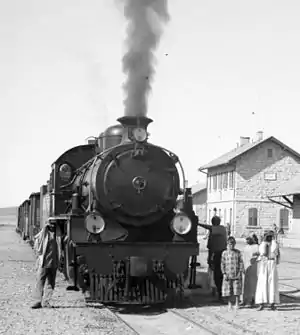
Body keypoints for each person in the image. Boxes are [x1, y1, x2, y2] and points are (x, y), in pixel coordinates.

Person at [31, 217, 62, 309]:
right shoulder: (43, 234)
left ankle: (46, 301)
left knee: (51, 283)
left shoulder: (58, 234)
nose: (52, 225)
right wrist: (38, 257)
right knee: (40, 281)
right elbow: (37, 246)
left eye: (54, 224)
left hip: (54, 262)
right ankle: (37, 301)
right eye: (50, 224)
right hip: (44, 262)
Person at [198, 210, 227, 301]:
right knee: (214, 274)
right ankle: (216, 291)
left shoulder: (221, 229)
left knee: (219, 274)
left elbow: (209, 227)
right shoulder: (214, 231)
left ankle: (221, 293)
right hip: (214, 253)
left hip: (220, 254)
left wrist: (198, 223)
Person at [255, 230, 280, 311]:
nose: (269, 237)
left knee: (272, 283)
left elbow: (277, 254)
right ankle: (261, 303)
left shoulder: (275, 244)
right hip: (264, 263)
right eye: (267, 236)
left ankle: (272, 303)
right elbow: (262, 253)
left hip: (272, 263)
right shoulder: (262, 244)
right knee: (262, 283)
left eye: (270, 236)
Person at [221, 236, 244, 310]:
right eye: (230, 244)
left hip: (236, 273)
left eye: (233, 244)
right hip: (228, 273)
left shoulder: (238, 252)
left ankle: (237, 303)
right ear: (227, 244)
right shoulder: (224, 253)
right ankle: (230, 303)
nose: (231, 245)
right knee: (229, 289)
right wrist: (224, 273)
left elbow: (241, 262)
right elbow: (222, 263)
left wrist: (240, 271)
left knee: (237, 290)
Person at [242, 234, 259, 307]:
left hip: (253, 268)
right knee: (245, 284)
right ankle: (245, 299)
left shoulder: (257, 247)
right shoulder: (246, 247)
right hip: (246, 267)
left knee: (252, 284)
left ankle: (251, 300)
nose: (247, 240)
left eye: (249, 239)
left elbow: (258, 256)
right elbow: (243, 257)